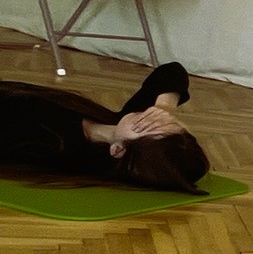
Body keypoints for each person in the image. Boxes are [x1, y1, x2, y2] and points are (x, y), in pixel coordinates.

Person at [0, 61, 209, 192]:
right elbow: (171, 71)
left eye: (151, 127)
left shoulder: (54, 144)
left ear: (117, 150)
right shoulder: (120, 125)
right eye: (169, 122)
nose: (152, 118)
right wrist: (164, 106)